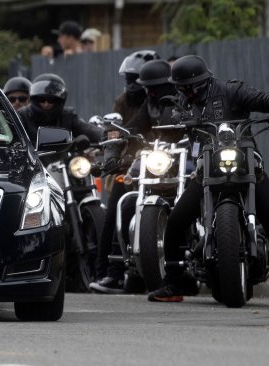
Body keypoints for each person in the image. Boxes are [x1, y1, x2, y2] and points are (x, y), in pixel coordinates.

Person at [147, 55, 269, 304]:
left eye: (189, 88)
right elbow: (171, 121)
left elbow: (262, 99)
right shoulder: (181, 103)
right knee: (176, 220)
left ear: (202, 82)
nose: (186, 93)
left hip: (246, 164)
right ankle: (173, 283)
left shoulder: (230, 90)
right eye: (181, 89)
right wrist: (172, 124)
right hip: (207, 168)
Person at [90, 51, 160, 294]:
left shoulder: (166, 98)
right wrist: (112, 155)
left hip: (164, 163)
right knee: (115, 211)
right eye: (128, 78)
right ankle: (110, 273)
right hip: (130, 163)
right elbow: (116, 132)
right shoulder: (122, 101)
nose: (132, 84)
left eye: (137, 78)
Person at [17, 73, 102, 145]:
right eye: (41, 99)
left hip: (64, 162)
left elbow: (87, 129)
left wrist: (108, 135)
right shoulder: (23, 116)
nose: (46, 104)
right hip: (32, 161)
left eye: (51, 100)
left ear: (59, 101)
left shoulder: (67, 116)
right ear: (34, 99)